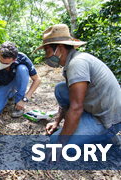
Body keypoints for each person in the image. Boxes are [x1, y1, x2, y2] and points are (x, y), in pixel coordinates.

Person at [32, 24, 121, 162]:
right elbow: (73, 99)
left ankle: (108, 137)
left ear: (60, 48)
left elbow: (76, 107)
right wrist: (57, 121)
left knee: (55, 140)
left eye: (48, 51)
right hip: (97, 107)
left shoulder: (77, 64)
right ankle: (92, 131)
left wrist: (59, 145)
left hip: (107, 120)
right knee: (61, 89)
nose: (46, 56)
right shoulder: (74, 61)